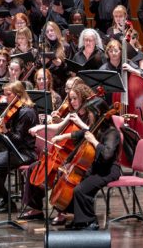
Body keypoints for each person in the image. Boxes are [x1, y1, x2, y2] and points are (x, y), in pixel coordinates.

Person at [22, 82, 94, 224]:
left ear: (83, 98)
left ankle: (63, 211)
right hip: (65, 154)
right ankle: (36, 208)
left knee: (61, 175)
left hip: (80, 155)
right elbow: (57, 127)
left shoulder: (91, 114)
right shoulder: (72, 113)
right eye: (71, 99)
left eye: (75, 98)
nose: (72, 102)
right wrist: (39, 127)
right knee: (33, 168)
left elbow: (93, 131)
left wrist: (78, 123)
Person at [53, 96, 120, 230]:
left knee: (80, 189)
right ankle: (78, 218)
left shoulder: (112, 133)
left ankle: (90, 222)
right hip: (96, 166)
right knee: (69, 184)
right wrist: (63, 137)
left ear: (98, 113)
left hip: (108, 170)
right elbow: (81, 133)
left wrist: (94, 141)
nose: (88, 115)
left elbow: (107, 155)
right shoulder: (96, 127)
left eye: (90, 112)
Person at [0, 81, 38, 213]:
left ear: (18, 95)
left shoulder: (26, 112)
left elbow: (17, 140)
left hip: (24, 153)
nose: (5, 99)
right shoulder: (16, 109)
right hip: (15, 151)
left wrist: (5, 131)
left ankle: (7, 202)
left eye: (8, 95)